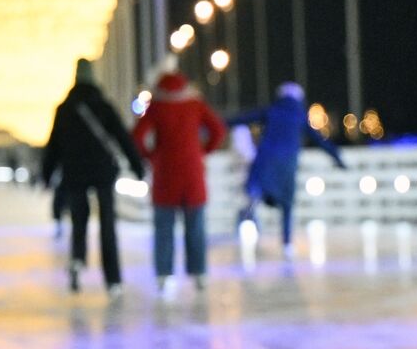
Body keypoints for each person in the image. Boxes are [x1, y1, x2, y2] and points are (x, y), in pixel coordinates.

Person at [41, 59, 146, 298]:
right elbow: (122, 137)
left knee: (79, 220)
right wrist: (136, 166)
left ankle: (77, 259)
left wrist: (47, 175)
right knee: (107, 224)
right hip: (102, 171)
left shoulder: (64, 109)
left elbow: (53, 146)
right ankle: (113, 280)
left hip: (75, 172)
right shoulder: (103, 105)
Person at [132, 67, 226, 297]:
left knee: (164, 229)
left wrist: (151, 155)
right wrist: (202, 151)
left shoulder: (156, 107)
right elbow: (218, 130)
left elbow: (137, 137)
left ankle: (164, 274)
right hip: (192, 174)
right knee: (196, 227)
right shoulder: (195, 104)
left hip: (165, 175)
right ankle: (200, 273)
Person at [229, 82, 346, 259]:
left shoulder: (272, 111)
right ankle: (286, 243)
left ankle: (251, 207)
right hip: (287, 164)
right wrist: (337, 157)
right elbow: (319, 140)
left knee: (256, 189)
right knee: (287, 203)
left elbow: (244, 118)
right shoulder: (298, 115)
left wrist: (217, 122)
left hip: (266, 161)